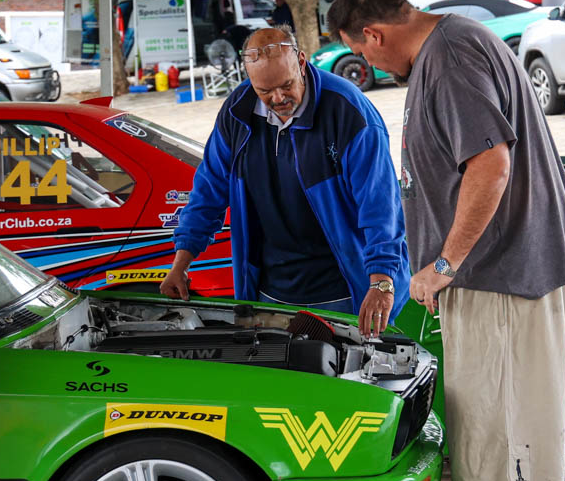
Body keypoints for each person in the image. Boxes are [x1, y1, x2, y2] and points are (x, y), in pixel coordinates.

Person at [328, 0, 565, 481]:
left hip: (498, 274)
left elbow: (490, 165)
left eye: (362, 53)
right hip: (523, 265)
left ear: (373, 35)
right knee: (522, 418)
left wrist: (445, 263)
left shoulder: (447, 59)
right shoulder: (461, 39)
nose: (369, 64)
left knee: (487, 428)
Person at [161, 27, 409, 336]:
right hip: (269, 292)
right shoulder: (237, 113)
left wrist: (381, 281)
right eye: (264, 91)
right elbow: (208, 191)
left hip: (344, 292)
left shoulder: (348, 111)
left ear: (302, 62)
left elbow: (381, 206)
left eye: (287, 85)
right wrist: (181, 263)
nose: (278, 98)